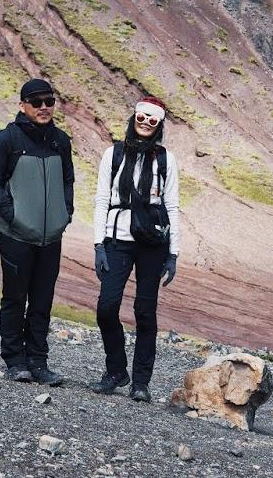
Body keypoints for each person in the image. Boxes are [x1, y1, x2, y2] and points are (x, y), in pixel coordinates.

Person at [0, 78, 74, 385]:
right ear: (23, 106)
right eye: (36, 102)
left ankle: (38, 362)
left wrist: (65, 214)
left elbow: (68, 181)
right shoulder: (6, 140)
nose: (44, 107)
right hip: (16, 236)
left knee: (43, 300)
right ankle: (15, 361)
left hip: (51, 237)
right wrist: (13, 216)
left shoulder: (61, 140)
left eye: (49, 101)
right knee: (15, 297)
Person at [91, 95, 181, 402]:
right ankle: (116, 369)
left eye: (152, 121)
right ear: (134, 118)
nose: (145, 124)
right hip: (117, 240)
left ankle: (140, 382)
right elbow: (102, 199)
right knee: (106, 307)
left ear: (159, 125)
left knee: (145, 312)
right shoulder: (113, 154)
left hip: (152, 244)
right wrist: (98, 244)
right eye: (141, 118)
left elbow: (172, 205)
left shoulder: (166, 160)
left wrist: (173, 253)